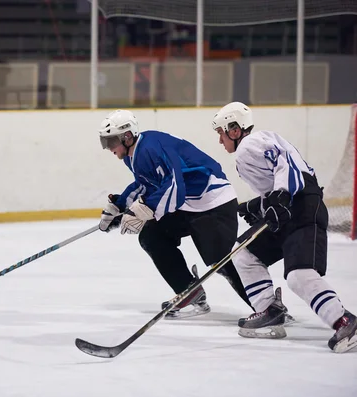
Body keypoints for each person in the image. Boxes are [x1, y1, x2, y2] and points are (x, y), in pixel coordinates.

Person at [212, 101, 356, 353]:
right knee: (244, 252)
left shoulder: (250, 144)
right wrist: (257, 205)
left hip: (302, 208)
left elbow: (285, 162)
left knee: (299, 276)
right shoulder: (249, 150)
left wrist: (279, 195)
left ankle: (344, 320)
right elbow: (277, 179)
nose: (220, 140)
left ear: (235, 130)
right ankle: (269, 309)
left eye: (221, 133)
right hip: (289, 210)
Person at [97, 109, 259, 320]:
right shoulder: (132, 155)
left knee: (221, 261)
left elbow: (175, 187)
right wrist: (119, 208)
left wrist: (144, 209)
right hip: (189, 204)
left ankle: (266, 307)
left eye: (111, 141)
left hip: (213, 202)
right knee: (151, 236)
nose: (108, 147)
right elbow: (146, 184)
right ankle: (189, 292)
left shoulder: (151, 147)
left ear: (127, 136)